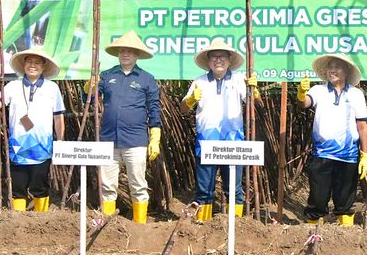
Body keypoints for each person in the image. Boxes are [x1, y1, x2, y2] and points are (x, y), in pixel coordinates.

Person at [180, 39, 259, 222]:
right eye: (214, 56)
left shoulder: (240, 80)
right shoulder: (199, 81)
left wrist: (253, 91)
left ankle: (236, 225)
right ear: (208, 61)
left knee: (234, 189)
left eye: (222, 56)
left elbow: (256, 105)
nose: (218, 60)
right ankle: (203, 225)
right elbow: (183, 108)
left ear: (229, 59)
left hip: (233, 144)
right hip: (206, 143)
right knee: (204, 190)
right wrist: (191, 99)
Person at [87, 31, 161, 224]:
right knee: (107, 185)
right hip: (108, 139)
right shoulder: (107, 75)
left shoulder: (147, 78)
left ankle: (139, 226)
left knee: (137, 184)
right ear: (118, 54)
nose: (125, 54)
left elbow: (154, 108)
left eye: (130, 51)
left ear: (137, 55)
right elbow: (89, 101)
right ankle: (107, 224)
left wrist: (155, 136)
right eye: (122, 51)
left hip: (135, 140)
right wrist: (89, 88)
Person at [0, 48, 65, 212]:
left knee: (40, 184)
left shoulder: (52, 88)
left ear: (44, 67)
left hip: (42, 146)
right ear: (23, 65)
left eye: (37, 62)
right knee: (18, 186)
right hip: (18, 145)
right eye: (29, 61)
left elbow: (58, 117)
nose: (33, 65)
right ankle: (19, 222)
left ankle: (41, 218)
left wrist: (61, 141)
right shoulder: (12, 86)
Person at [297, 53, 367, 226]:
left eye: (337, 67)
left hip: (348, 156)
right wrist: (301, 93)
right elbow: (305, 103)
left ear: (346, 71)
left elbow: (362, 126)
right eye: (330, 66)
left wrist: (364, 155)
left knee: (345, 201)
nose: (333, 70)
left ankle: (345, 237)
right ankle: (313, 233)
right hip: (322, 154)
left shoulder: (356, 94)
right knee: (317, 199)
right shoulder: (318, 90)